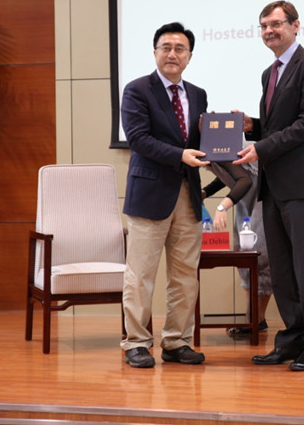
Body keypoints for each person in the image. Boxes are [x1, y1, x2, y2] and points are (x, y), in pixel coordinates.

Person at [235, 0, 304, 371]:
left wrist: (260, 147)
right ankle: (293, 339)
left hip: (302, 186)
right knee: (280, 271)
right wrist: (254, 127)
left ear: (295, 26)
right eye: (263, 26)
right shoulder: (270, 73)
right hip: (273, 186)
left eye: (276, 24)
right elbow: (280, 127)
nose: (269, 31)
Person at [119, 22, 209, 369]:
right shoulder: (137, 90)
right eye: (166, 47)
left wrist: (225, 139)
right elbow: (138, 139)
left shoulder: (198, 94)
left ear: (190, 56)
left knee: (185, 275)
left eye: (180, 48)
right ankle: (136, 343)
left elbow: (201, 141)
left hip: (188, 194)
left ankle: (176, 341)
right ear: (155, 52)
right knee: (140, 275)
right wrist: (180, 155)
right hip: (150, 195)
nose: (173, 54)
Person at [202, 159, 273, 334]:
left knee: (261, 256)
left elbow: (244, 180)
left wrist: (222, 207)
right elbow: (228, 175)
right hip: (243, 200)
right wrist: (206, 192)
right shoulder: (213, 153)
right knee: (243, 257)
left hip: (262, 199)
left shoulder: (221, 148)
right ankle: (250, 316)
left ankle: (258, 318)